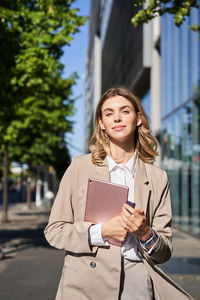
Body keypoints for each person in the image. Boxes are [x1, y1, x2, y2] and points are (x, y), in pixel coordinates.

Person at [44, 87, 193, 300]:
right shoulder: (80, 167)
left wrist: (145, 233)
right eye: (109, 113)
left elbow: (165, 250)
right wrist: (101, 232)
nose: (117, 118)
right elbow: (55, 231)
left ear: (138, 119)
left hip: (137, 282)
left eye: (125, 111)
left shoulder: (157, 177)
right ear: (101, 123)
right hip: (84, 282)